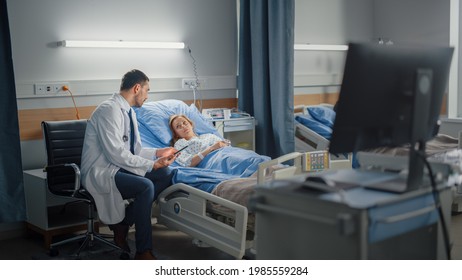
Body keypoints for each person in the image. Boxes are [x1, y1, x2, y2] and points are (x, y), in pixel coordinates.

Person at [81, 69, 178, 260]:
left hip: (118, 166)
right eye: (147, 90)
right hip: (100, 171)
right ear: (137, 88)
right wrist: (151, 165)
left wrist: (158, 154)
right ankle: (143, 251)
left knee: (166, 174)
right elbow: (116, 153)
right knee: (145, 186)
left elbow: (135, 150)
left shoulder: (129, 112)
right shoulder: (108, 110)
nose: (147, 96)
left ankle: (123, 223)